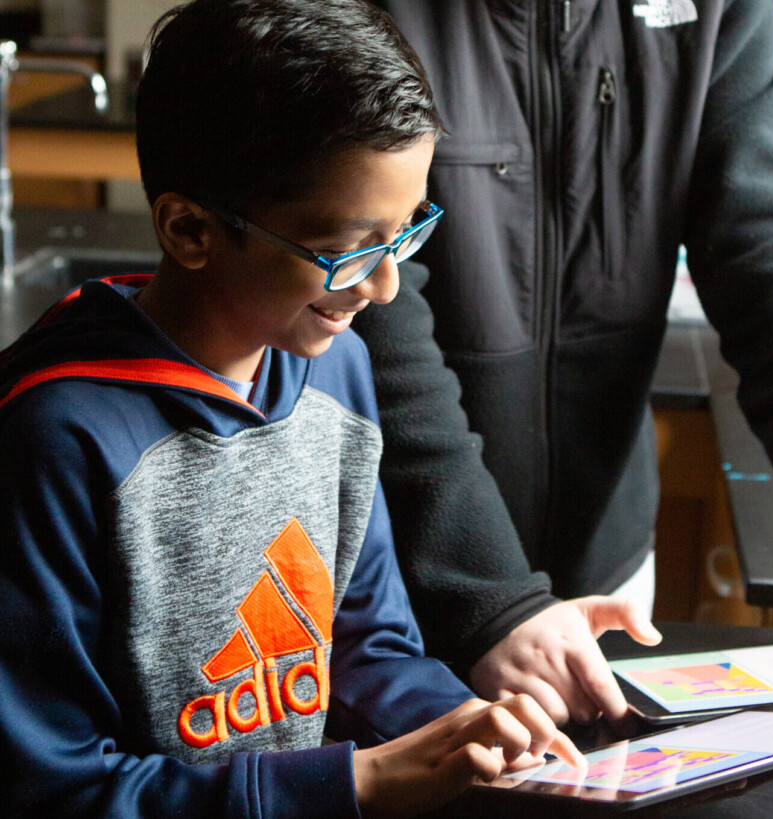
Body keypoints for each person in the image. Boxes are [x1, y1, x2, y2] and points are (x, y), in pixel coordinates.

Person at [0, 1, 584, 816]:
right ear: (190, 229)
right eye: (349, 249)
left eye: (406, 232)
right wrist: (359, 783)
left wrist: (458, 725)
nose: (384, 287)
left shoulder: (337, 369)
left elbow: (364, 640)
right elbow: (53, 787)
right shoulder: (56, 438)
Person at [351, 0, 773, 725]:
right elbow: (371, 320)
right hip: (401, 575)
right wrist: (489, 594)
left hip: (609, 567)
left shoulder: (716, 10)